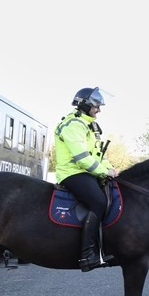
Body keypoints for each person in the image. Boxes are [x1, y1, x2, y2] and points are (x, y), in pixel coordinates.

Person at [54, 87, 118, 271]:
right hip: (72, 172)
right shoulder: (74, 125)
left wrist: (110, 169)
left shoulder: (89, 125)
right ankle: (87, 254)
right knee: (99, 201)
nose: (99, 110)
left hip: (87, 171)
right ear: (85, 104)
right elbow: (82, 158)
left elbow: (98, 155)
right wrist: (103, 172)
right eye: (96, 106)